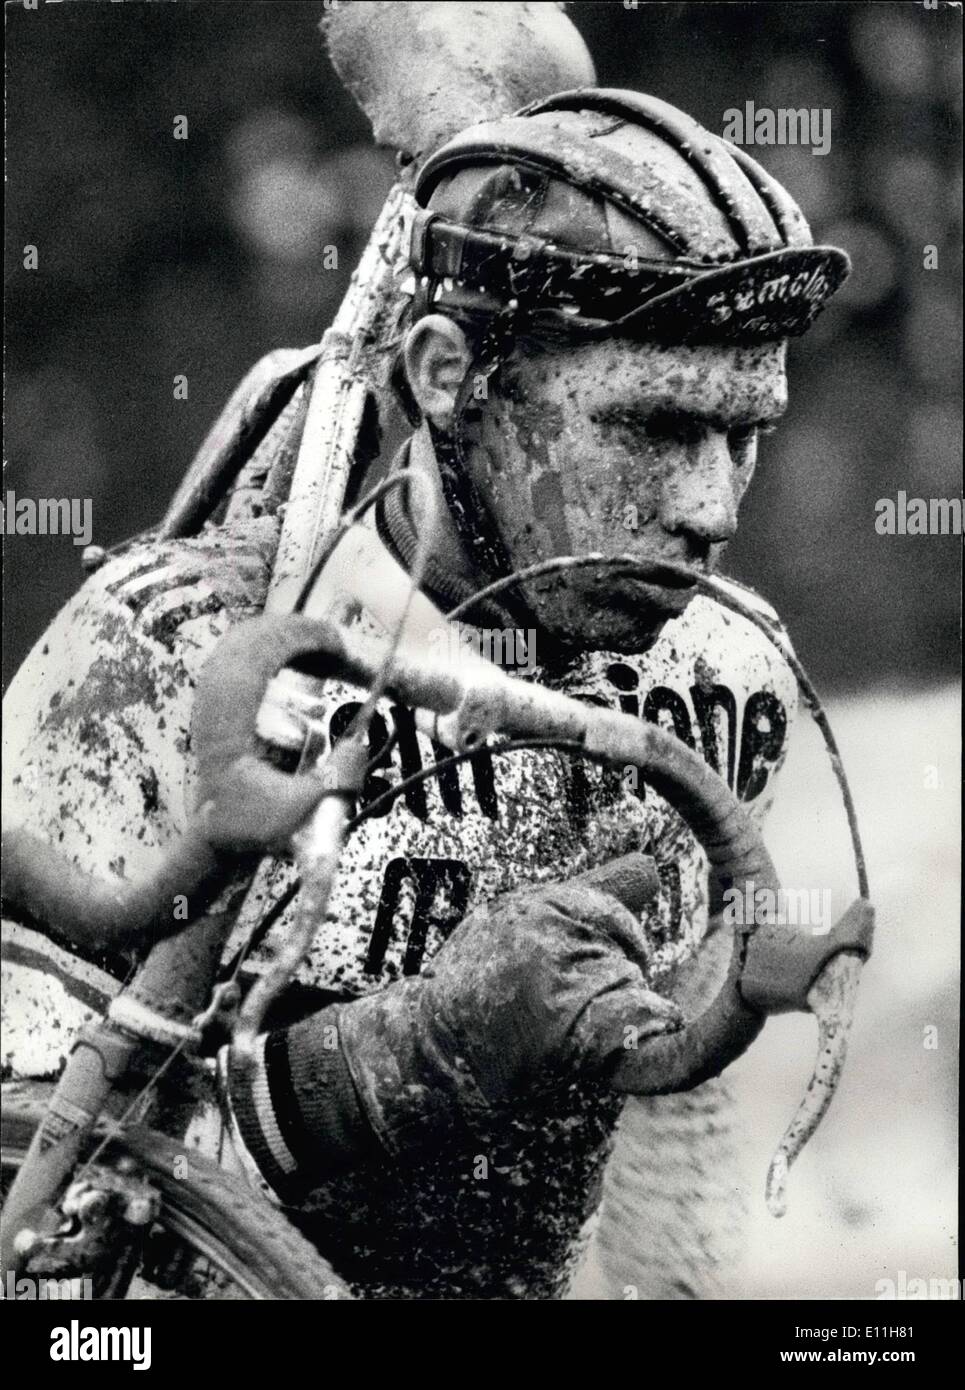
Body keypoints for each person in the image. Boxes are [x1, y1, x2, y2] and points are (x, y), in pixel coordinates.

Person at [2, 90, 855, 1299]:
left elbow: (667, 1164)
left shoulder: (722, 670)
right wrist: (408, 1053)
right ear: (448, 374)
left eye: (743, 434)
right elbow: (34, 1213)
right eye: (650, 428)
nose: (709, 508)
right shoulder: (165, 655)